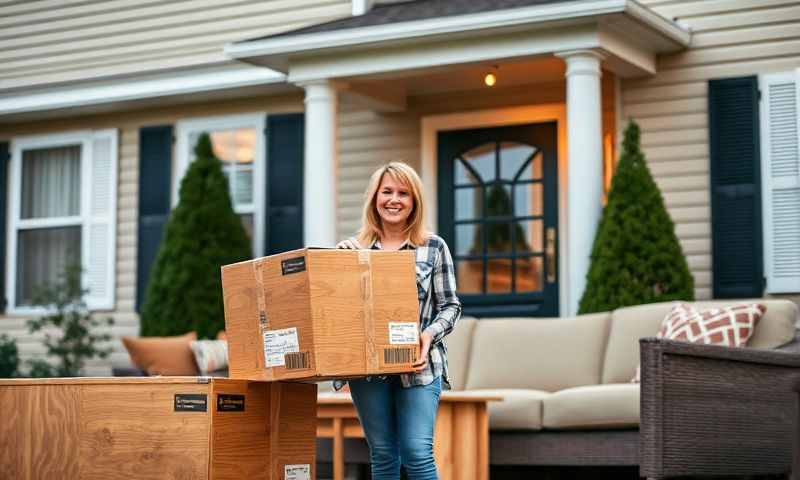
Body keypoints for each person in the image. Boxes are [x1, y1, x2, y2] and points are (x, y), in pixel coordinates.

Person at [336, 161, 462, 480]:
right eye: (387, 191)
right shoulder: (356, 249)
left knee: (417, 452)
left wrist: (428, 335)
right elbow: (337, 313)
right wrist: (337, 265)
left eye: (403, 193)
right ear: (374, 198)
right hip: (369, 369)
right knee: (382, 454)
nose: (394, 199)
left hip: (419, 366)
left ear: (414, 201)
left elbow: (451, 306)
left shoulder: (433, 247)